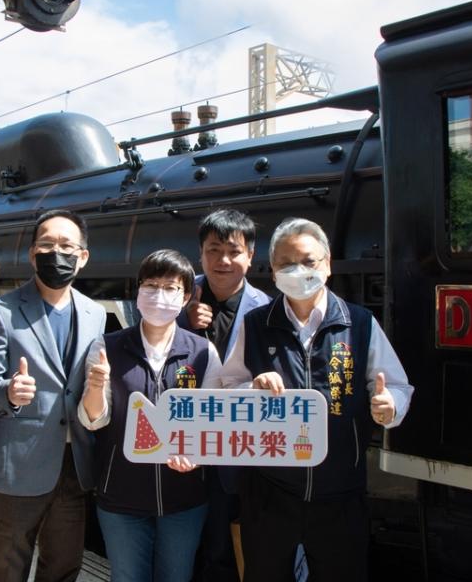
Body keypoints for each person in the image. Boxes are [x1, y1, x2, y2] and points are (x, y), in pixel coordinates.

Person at [207, 217, 414, 582]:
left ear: (328, 263)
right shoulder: (255, 324)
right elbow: (226, 389)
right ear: (272, 272)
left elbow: (397, 386)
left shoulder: (360, 323)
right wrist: (251, 390)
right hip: (269, 490)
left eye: (308, 261)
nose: (298, 270)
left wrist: (390, 405)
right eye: (286, 264)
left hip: (340, 488)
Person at [0, 208, 107, 582]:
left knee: (63, 567)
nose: (56, 253)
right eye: (46, 245)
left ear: (82, 258)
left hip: (73, 466)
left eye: (66, 246)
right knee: (5, 569)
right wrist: (9, 393)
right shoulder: (1, 310)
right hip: (17, 467)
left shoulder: (95, 314)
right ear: (32, 254)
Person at [79, 249, 222, 582]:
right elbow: (93, 420)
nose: (160, 294)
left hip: (184, 497)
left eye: (171, 287)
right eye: (151, 284)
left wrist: (198, 457)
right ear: (138, 290)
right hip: (121, 496)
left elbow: (214, 420)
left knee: (177, 576)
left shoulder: (202, 352)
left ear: (186, 296)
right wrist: (96, 387)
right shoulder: (107, 346)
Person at [178, 208, 270, 582]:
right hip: (185, 439)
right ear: (200, 253)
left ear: (250, 256)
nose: (223, 260)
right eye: (214, 249)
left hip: (238, 445)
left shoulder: (265, 309)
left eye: (234, 250)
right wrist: (181, 320)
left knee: (225, 540)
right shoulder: (178, 296)